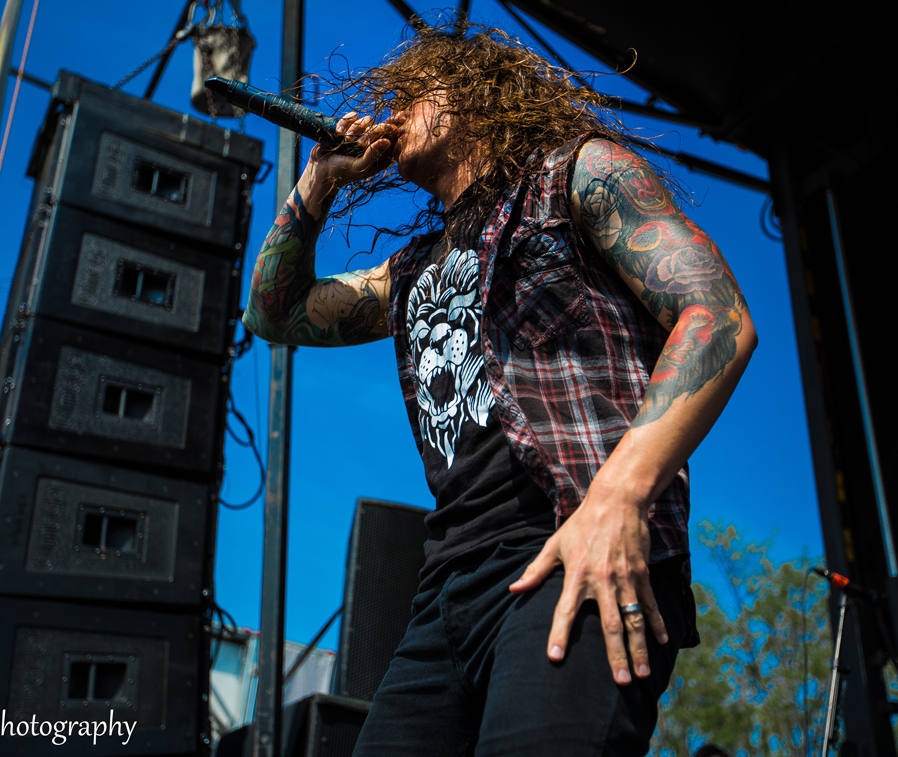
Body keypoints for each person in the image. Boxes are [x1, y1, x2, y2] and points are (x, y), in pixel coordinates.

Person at [242, 22, 757, 757]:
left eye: (414, 93)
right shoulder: (411, 268)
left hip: (573, 546)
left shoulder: (575, 176)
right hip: (446, 592)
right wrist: (319, 179)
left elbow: (719, 319)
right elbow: (274, 311)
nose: (393, 108)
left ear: (479, 95)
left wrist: (617, 497)